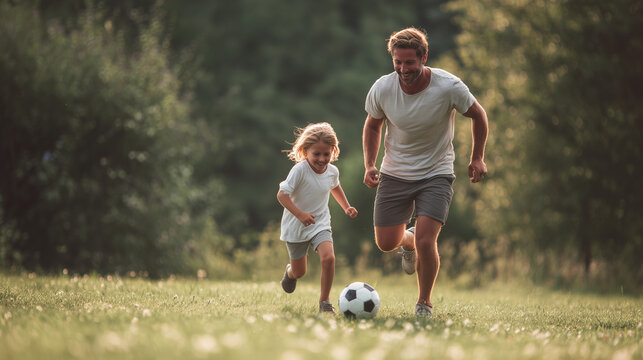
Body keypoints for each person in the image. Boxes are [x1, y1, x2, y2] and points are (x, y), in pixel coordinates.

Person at [362, 27, 488, 318]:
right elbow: (372, 125)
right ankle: (406, 241)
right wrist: (370, 164)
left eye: (410, 62)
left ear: (423, 58)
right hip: (395, 172)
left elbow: (478, 115)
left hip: (436, 173)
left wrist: (477, 157)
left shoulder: (448, 86)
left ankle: (424, 303)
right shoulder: (383, 87)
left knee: (426, 239)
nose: (403, 69)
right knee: (386, 243)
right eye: (398, 62)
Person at [277, 122, 358, 315]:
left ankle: (324, 302)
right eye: (317, 154)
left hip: (320, 223)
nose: (322, 159)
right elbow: (281, 195)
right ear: (305, 151)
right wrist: (300, 214)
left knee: (329, 258)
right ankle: (290, 273)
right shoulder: (299, 171)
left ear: (333, 151)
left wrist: (346, 207)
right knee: (300, 272)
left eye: (326, 154)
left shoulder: (332, 171)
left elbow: (335, 186)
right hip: (296, 226)